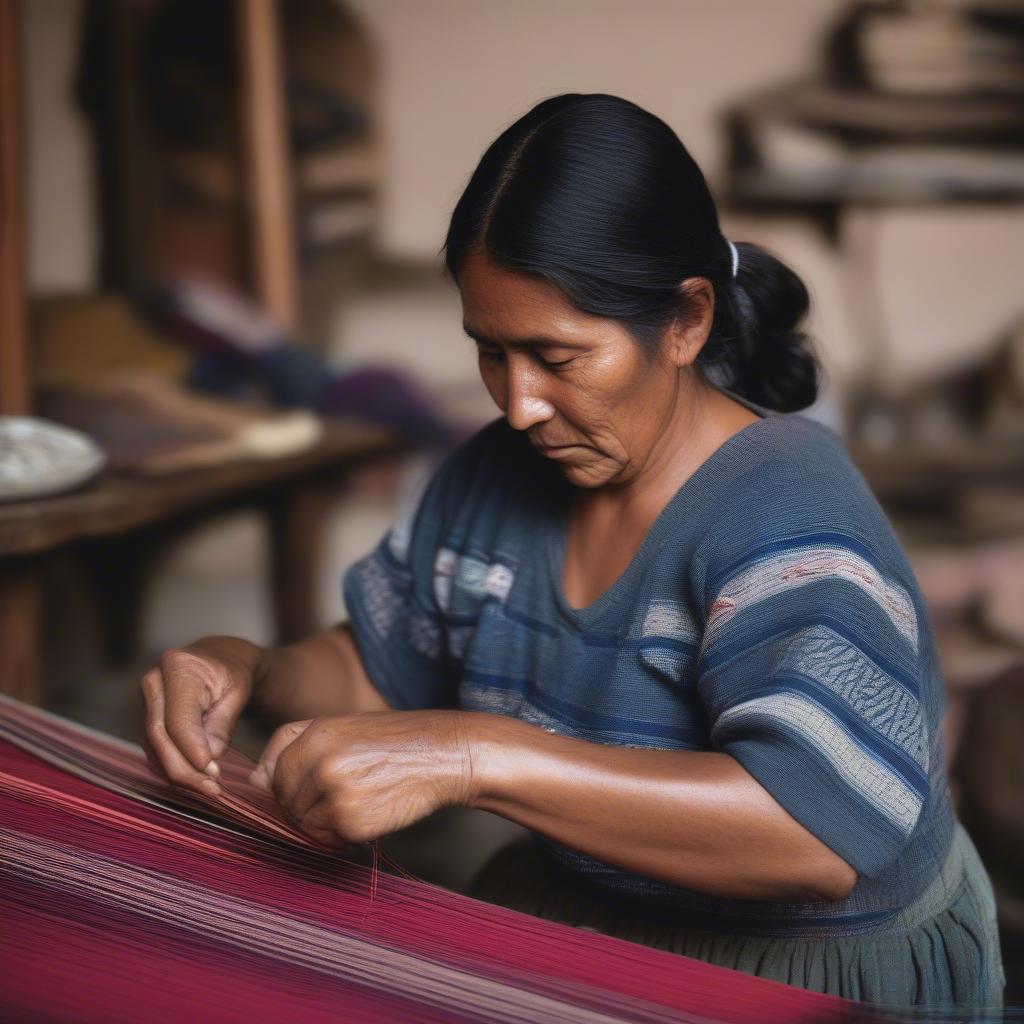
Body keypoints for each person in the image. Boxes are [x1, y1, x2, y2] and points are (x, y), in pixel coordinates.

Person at [141, 93, 1004, 1012]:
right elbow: (387, 669)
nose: (519, 405)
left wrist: (472, 754)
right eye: (490, 351)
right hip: (584, 925)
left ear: (686, 322)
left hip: (799, 971)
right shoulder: (493, 476)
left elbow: (815, 836)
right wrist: (247, 668)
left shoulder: (786, 512)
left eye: (557, 356)